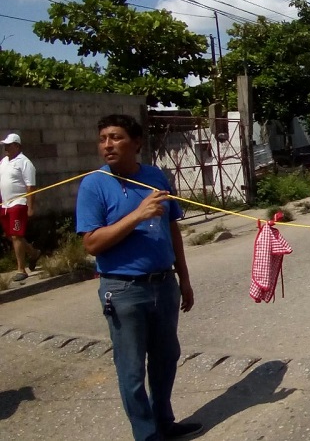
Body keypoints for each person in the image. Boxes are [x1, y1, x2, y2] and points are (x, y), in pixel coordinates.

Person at [75, 115, 201, 441]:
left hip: (164, 283)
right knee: (131, 371)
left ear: (136, 143)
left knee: (166, 359)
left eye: (115, 137)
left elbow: (171, 227)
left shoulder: (155, 177)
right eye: (102, 138)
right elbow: (91, 243)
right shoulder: (94, 185)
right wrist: (137, 215)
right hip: (123, 290)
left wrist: (183, 278)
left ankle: (165, 423)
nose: (107, 145)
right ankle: (147, 435)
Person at [0, 133, 39, 281]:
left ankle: (21, 269)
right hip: (5, 204)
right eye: (5, 145)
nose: (6, 148)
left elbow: (31, 186)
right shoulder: (4, 161)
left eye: (9, 145)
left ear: (17, 146)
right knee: (10, 235)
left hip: (18, 203)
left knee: (17, 235)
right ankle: (34, 253)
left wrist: (30, 206)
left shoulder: (25, 162)